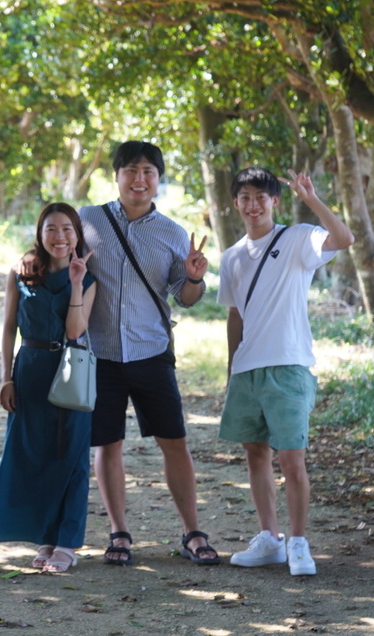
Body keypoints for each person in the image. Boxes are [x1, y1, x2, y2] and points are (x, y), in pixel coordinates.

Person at [78, 140, 218, 566]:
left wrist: (193, 278)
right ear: (116, 176)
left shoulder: (173, 233)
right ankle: (119, 533)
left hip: (151, 352)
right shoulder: (87, 221)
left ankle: (192, 532)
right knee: (107, 445)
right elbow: (57, 259)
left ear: (158, 179)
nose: (139, 180)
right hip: (99, 353)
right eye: (131, 171)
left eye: (148, 172)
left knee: (174, 442)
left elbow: (185, 298)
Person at [218, 167, 354, 576]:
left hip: (289, 366)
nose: (253, 205)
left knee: (292, 460)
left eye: (261, 197)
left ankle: (298, 542)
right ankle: (269, 539)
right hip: (247, 370)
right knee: (255, 455)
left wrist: (311, 199)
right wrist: (232, 369)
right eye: (245, 197)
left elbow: (344, 239)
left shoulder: (297, 238)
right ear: (235, 203)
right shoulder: (232, 256)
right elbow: (235, 316)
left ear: (274, 201)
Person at [0, 203, 97, 573]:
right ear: (40, 232)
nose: (59, 236)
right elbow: (8, 328)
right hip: (30, 369)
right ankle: (46, 537)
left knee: (71, 454)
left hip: (70, 369)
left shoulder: (89, 279)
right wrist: (6, 378)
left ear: (77, 234)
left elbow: (75, 331)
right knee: (34, 454)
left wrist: (76, 283)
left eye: (67, 229)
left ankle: (67, 542)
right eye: (51, 229)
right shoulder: (23, 271)